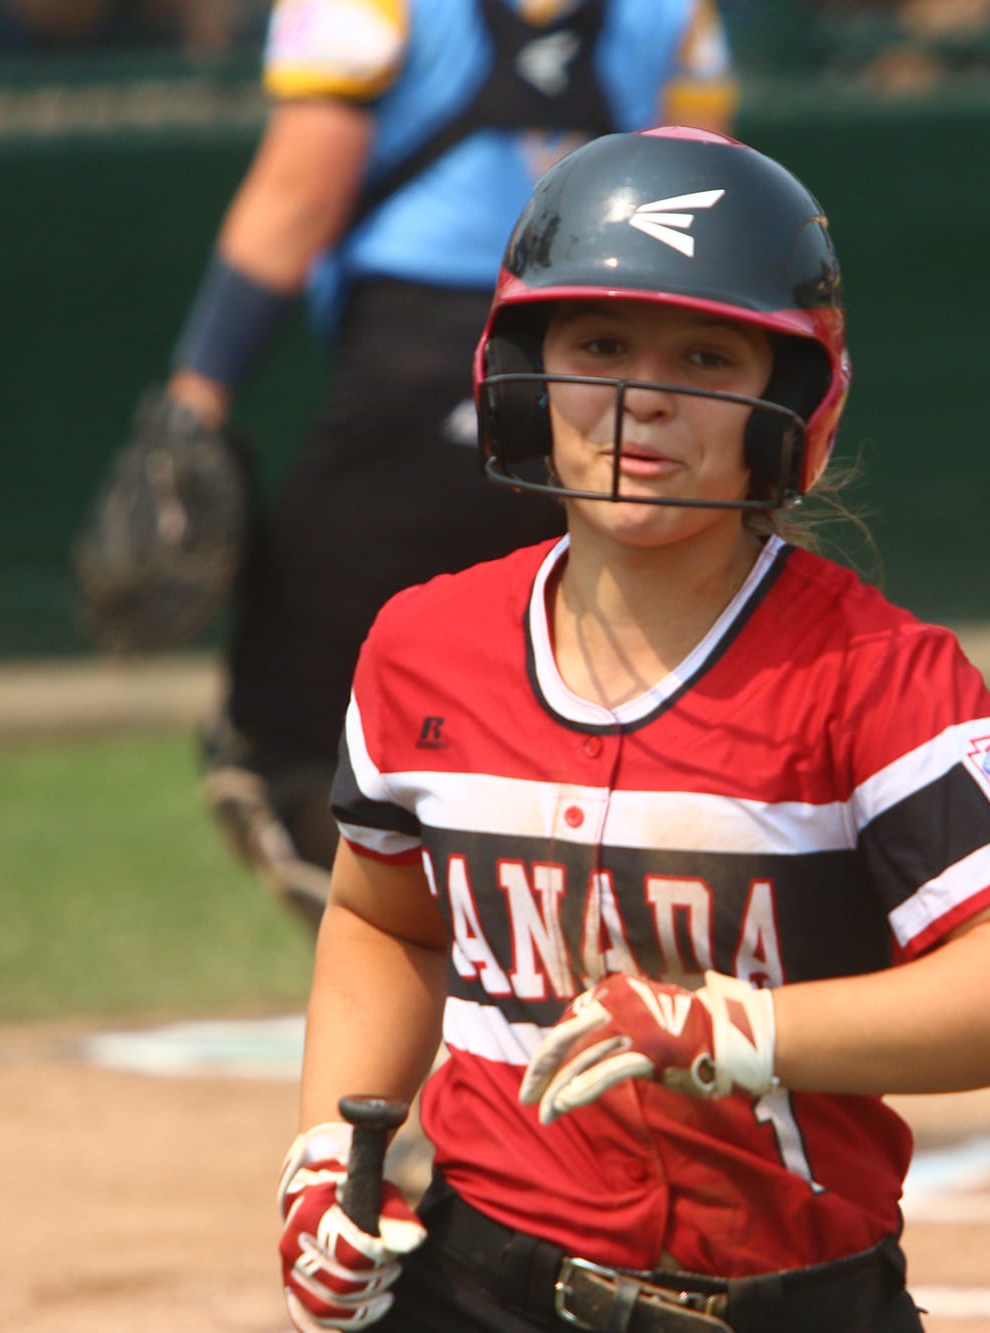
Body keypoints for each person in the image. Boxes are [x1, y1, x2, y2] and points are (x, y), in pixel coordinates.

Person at [274, 127, 990, 1333]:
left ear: (787, 400)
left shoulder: (868, 672)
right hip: (475, 1286)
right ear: (526, 367)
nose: (643, 396)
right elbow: (382, 917)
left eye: (706, 356)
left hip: (790, 1298)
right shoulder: (422, 646)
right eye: (600, 344)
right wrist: (324, 1151)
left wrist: (737, 1024)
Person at [159, 0, 738, 930]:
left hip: (415, 368)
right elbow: (715, 220)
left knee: (285, 729)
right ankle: (607, 954)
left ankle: (435, 967)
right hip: (608, 375)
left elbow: (297, 199)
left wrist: (195, 402)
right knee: (622, 689)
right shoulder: (676, 9)